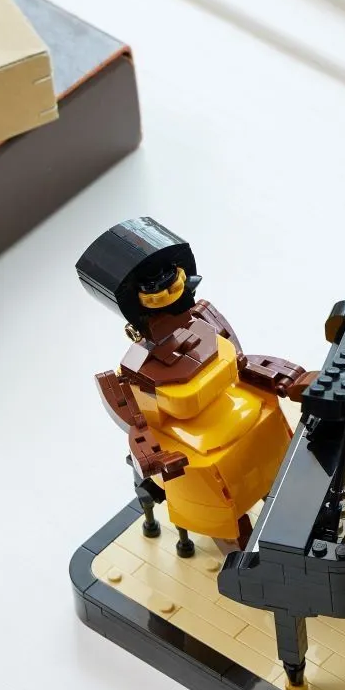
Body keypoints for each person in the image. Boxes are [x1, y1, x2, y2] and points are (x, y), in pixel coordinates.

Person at [78, 218, 310, 560]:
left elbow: (241, 361)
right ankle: (239, 547)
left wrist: (284, 376)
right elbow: (137, 422)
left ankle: (286, 505)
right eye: (156, 289)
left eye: (172, 281)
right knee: (222, 505)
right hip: (194, 449)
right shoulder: (134, 372)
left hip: (246, 415)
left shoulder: (205, 323)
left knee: (277, 462)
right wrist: (155, 457)